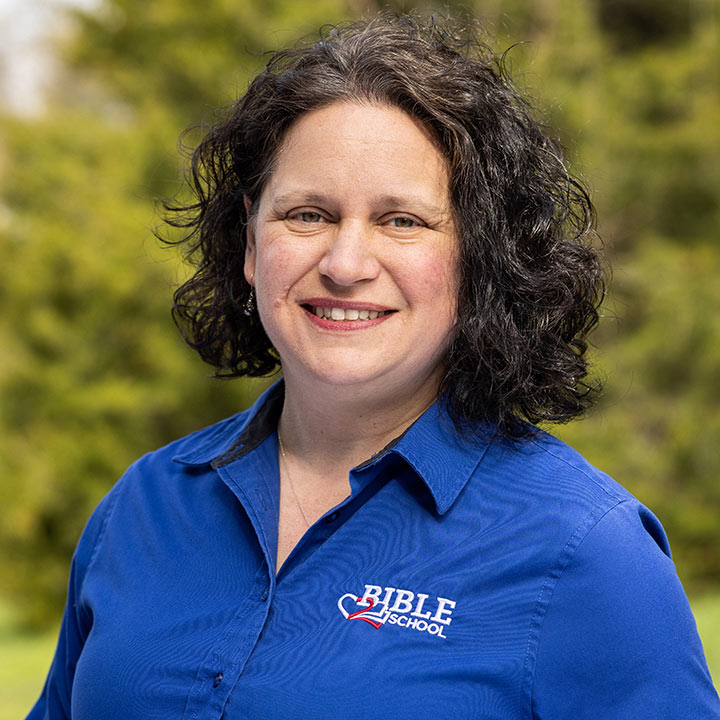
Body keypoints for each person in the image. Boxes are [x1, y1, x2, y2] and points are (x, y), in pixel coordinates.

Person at [29, 12, 719, 720]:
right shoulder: (145, 506)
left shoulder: (587, 552)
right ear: (249, 242)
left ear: (480, 257)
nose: (346, 264)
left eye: (402, 221)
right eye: (307, 214)